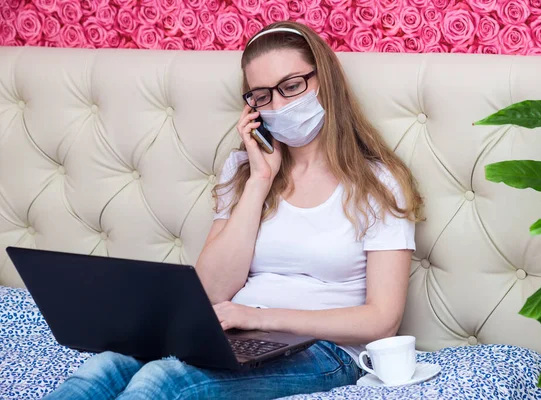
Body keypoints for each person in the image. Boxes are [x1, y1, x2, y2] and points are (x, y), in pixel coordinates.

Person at [44, 21, 423, 400]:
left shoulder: (380, 181)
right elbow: (210, 290)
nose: (279, 105)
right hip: (236, 334)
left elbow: (382, 320)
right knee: (103, 367)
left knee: (162, 381)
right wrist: (259, 181)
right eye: (261, 95)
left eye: (292, 86)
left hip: (327, 351)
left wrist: (260, 317)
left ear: (325, 79)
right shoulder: (243, 170)